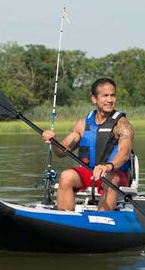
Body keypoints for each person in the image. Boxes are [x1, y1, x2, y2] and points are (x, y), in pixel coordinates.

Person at [42, 78, 134, 211]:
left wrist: (107, 167)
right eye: (105, 96)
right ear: (94, 99)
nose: (110, 100)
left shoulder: (123, 125)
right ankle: (66, 218)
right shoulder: (83, 124)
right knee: (66, 176)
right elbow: (61, 152)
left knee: (110, 178)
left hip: (115, 175)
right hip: (90, 173)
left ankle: (102, 219)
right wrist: (54, 140)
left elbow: (124, 154)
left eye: (112, 95)